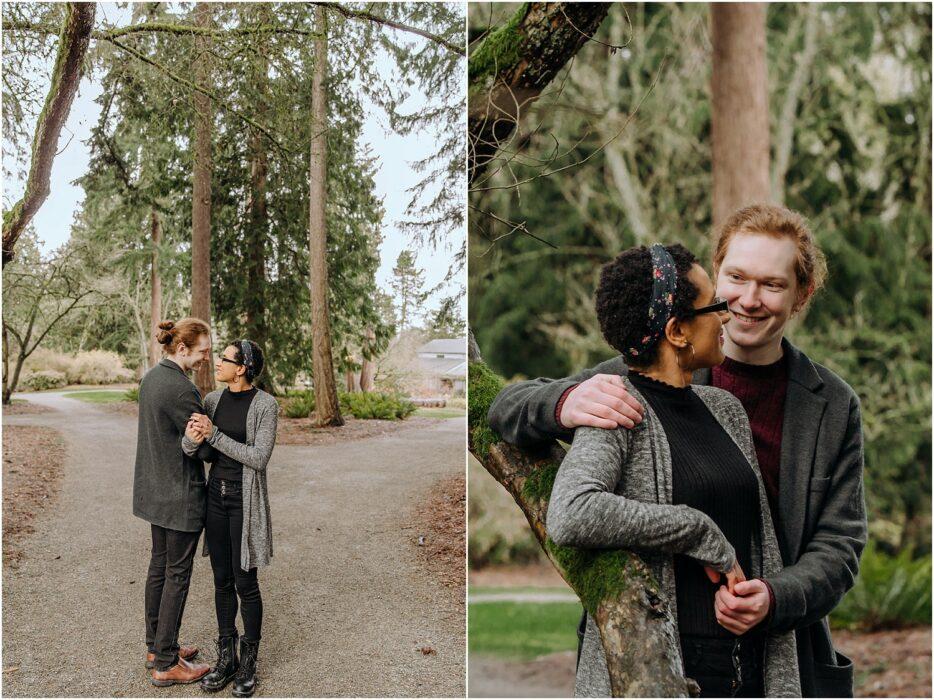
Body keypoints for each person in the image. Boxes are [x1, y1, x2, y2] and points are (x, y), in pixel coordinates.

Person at [488, 204, 867, 697]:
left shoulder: (832, 406)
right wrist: (565, 401)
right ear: (715, 274)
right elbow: (507, 408)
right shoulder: (635, 374)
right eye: (735, 277)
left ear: (801, 295)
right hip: (655, 648)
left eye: (772, 284)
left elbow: (840, 544)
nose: (748, 300)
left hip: (777, 656)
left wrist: (775, 597)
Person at [544, 243, 799, 697]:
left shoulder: (726, 410)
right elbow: (571, 511)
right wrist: (693, 528)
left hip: (750, 667)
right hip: (665, 674)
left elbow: (764, 547)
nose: (726, 317)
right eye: (714, 307)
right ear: (677, 330)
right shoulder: (619, 409)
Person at [182, 340, 279, 698]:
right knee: (221, 580)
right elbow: (199, 450)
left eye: (225, 359)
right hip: (216, 498)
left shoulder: (266, 405)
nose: (218, 363)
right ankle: (226, 658)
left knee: (245, 581)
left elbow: (258, 457)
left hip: (245, 501)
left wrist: (214, 434)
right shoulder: (212, 400)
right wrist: (192, 440)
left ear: (242, 368)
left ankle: (248, 661)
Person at [133, 318, 213, 686]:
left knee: (159, 569)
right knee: (176, 576)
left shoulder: (151, 378)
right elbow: (203, 447)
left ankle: (157, 646)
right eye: (202, 352)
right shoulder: (182, 390)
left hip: (154, 491)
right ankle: (166, 663)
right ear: (182, 349)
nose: (205, 360)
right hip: (179, 495)